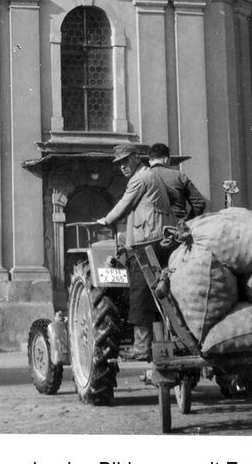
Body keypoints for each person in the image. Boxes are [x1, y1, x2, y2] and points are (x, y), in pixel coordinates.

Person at [95, 143, 174, 361]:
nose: (122, 167)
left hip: (148, 240)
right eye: (119, 164)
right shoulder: (149, 175)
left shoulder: (140, 178)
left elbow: (125, 204)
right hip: (156, 238)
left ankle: (141, 347)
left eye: (125, 161)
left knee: (139, 292)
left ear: (136, 158)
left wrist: (106, 220)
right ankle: (162, 342)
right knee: (157, 292)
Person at [146, 142, 207, 220]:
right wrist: (189, 220)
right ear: (167, 160)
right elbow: (199, 203)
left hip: (150, 225)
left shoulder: (141, 177)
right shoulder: (179, 176)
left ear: (150, 162)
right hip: (177, 225)